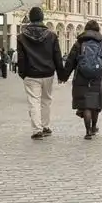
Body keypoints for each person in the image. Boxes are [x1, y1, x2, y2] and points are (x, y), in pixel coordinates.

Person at [61, 19, 102, 139]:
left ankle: (87, 131)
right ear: (97, 30)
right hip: (98, 78)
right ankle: (94, 127)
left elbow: (70, 62)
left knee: (86, 105)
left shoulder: (79, 43)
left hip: (81, 77)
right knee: (96, 104)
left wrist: (64, 76)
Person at [15, 7, 63, 138]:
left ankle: (37, 130)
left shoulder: (22, 37)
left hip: (31, 73)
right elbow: (57, 55)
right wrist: (61, 73)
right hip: (48, 73)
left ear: (30, 18)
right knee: (46, 100)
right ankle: (45, 126)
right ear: (42, 18)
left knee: (33, 101)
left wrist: (22, 73)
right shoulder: (52, 35)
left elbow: (21, 57)